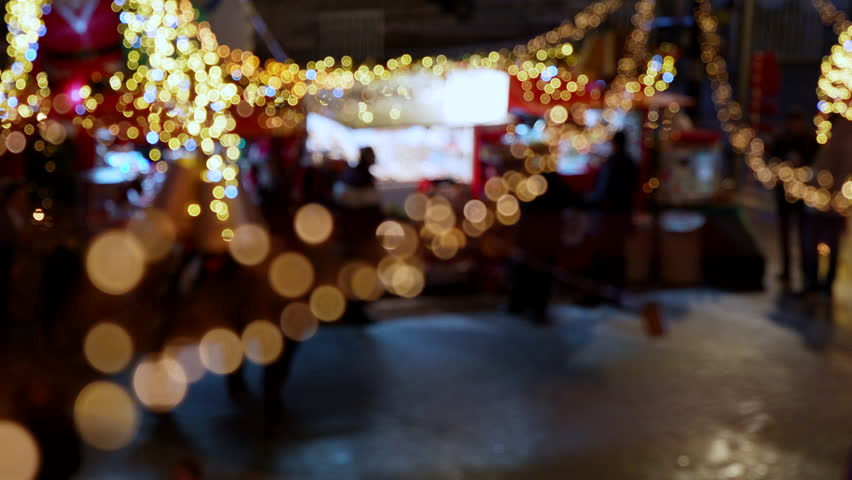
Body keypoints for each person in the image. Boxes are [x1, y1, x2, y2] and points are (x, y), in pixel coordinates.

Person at [800, 116, 850, 300]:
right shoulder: (832, 144)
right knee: (826, 244)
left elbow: (832, 176)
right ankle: (821, 283)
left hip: (827, 204)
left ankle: (820, 284)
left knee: (820, 243)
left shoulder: (838, 147)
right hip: (826, 204)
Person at [771, 109, 820, 288]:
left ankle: (804, 271)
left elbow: (815, 163)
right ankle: (787, 269)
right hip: (784, 194)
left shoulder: (810, 141)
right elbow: (773, 159)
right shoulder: (782, 140)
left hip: (803, 195)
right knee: (786, 233)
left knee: (804, 234)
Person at [588, 131, 639, 288]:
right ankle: (616, 286)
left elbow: (604, 189)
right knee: (618, 252)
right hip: (622, 213)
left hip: (609, 214)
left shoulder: (613, 162)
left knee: (604, 252)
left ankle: (602, 287)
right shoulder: (630, 162)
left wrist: (593, 202)